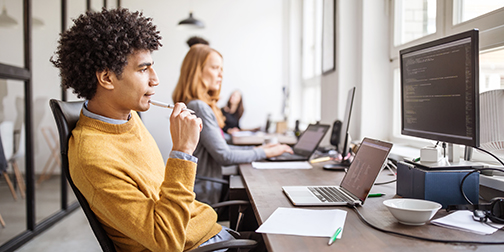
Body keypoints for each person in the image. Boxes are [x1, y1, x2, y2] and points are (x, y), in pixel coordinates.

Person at [50, 8, 239, 251]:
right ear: (106, 78)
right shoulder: (93, 157)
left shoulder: (128, 117)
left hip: (211, 233)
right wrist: (182, 151)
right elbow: (166, 242)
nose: (155, 79)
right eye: (142, 69)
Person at [172, 44, 293, 204]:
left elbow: (221, 147)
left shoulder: (195, 104)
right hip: (203, 195)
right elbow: (224, 155)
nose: (221, 74)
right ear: (197, 71)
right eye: (215, 68)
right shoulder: (198, 106)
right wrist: (264, 153)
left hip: (204, 189)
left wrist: (258, 149)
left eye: (221, 69)